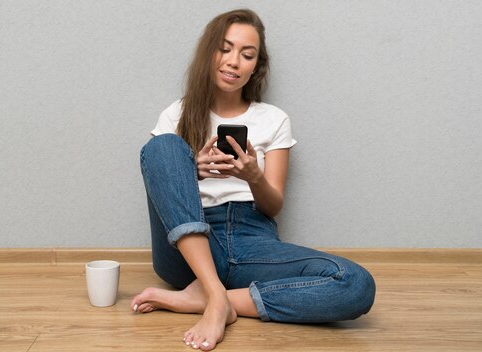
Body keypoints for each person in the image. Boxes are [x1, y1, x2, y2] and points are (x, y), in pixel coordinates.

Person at [131, 8, 375, 351]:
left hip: (253, 239)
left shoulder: (274, 120)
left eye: (247, 55)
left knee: (354, 284)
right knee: (163, 147)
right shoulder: (177, 114)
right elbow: (159, 174)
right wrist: (191, 169)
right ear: (209, 52)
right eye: (225, 49)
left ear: (256, 66)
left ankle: (209, 299)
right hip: (193, 244)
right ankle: (213, 291)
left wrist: (253, 175)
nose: (234, 62)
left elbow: (273, 204)